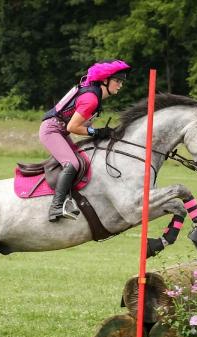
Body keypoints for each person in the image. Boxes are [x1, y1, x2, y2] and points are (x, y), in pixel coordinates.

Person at [40, 59, 131, 222]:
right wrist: (96, 132)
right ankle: (55, 207)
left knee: (83, 160)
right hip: (52, 131)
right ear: (105, 80)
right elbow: (73, 127)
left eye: (121, 82)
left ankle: (69, 199)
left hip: (58, 130)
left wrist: (97, 132)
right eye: (117, 81)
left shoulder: (93, 94)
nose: (120, 85)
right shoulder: (91, 99)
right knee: (73, 164)